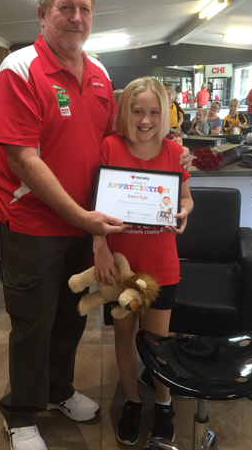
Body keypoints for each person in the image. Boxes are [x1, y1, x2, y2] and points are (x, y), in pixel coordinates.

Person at [0, 0, 191, 450]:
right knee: (33, 323)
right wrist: (83, 218)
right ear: (43, 14)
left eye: (84, 8)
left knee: (71, 316)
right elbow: (24, 157)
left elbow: (119, 141)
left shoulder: (100, 74)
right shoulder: (18, 70)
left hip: (88, 224)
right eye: (65, 7)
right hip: (35, 226)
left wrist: (174, 151)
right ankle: (19, 413)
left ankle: (58, 391)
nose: (76, 17)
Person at [94, 77, 193, 446]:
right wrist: (99, 247)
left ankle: (164, 404)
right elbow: (97, 205)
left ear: (164, 113)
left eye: (153, 112)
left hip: (161, 264)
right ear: (126, 111)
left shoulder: (174, 152)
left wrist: (183, 211)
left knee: (156, 341)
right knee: (123, 335)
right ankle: (133, 402)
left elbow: (186, 197)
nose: (146, 120)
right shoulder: (110, 146)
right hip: (120, 265)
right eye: (138, 111)